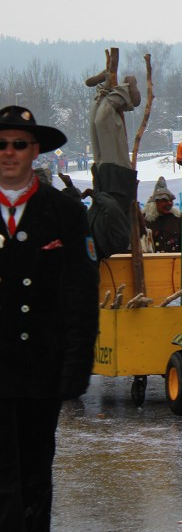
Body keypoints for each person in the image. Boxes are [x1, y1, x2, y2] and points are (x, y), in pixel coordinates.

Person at [0, 105, 99, 531]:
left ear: (35, 150)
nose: (8, 153)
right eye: (1, 145)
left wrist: (75, 365)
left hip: (40, 365)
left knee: (35, 477)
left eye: (19, 145)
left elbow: (80, 295)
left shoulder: (65, 212)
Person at [142, 176, 182, 253]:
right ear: (155, 203)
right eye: (164, 200)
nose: (169, 203)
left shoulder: (176, 218)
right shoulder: (144, 219)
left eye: (170, 200)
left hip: (173, 261)